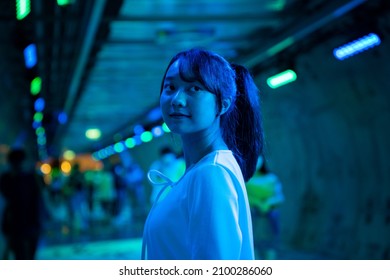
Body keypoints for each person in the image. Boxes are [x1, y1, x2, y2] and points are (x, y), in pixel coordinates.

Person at [142, 48, 264, 260]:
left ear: (223, 104)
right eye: (170, 87)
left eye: (194, 89)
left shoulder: (211, 173)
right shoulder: (204, 169)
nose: (177, 100)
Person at [0, 148, 43, 259]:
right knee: (24, 255)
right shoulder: (28, 178)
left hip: (18, 223)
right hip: (24, 223)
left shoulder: (7, 179)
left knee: (22, 255)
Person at [246, 156, 284, 259]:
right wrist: (257, 203)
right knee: (253, 245)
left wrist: (267, 203)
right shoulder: (246, 180)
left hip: (269, 216)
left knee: (270, 246)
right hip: (253, 215)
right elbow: (244, 196)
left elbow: (279, 196)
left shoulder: (271, 178)